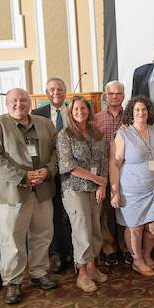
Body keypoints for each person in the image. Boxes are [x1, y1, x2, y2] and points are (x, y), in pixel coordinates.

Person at [0, 88, 59, 305]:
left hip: (43, 190)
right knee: (12, 240)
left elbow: (56, 152)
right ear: (7, 104)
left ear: (29, 102)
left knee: (43, 234)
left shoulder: (45, 123)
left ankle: (39, 273)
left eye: (23, 100)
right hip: (12, 193)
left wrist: (48, 171)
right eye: (14, 100)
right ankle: (12, 280)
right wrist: (23, 177)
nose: (19, 104)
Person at [110, 95, 154, 277]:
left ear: (148, 112)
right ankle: (137, 260)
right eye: (137, 110)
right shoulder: (123, 134)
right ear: (131, 113)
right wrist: (114, 192)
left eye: (144, 109)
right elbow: (114, 163)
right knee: (134, 227)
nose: (141, 112)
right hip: (131, 190)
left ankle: (147, 255)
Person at [57, 96, 108, 292]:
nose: (80, 112)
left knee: (95, 228)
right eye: (76, 109)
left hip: (95, 190)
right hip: (75, 189)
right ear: (70, 112)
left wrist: (102, 186)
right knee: (82, 232)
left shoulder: (95, 133)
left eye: (84, 108)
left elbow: (103, 160)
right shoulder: (64, 135)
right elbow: (68, 166)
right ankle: (82, 274)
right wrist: (98, 181)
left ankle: (93, 267)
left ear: (89, 110)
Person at [31, 78, 73, 274]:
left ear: (66, 92)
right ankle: (57, 256)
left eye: (60, 89)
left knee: (73, 214)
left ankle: (75, 252)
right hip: (48, 171)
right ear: (46, 93)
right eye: (52, 89)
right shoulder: (36, 114)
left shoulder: (74, 110)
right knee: (54, 216)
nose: (56, 92)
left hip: (73, 171)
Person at [95, 81, 132, 266]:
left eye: (118, 94)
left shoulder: (131, 117)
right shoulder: (96, 118)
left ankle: (126, 247)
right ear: (106, 96)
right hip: (103, 171)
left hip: (126, 172)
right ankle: (109, 249)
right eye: (111, 93)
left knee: (124, 210)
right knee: (106, 213)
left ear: (123, 96)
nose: (114, 96)